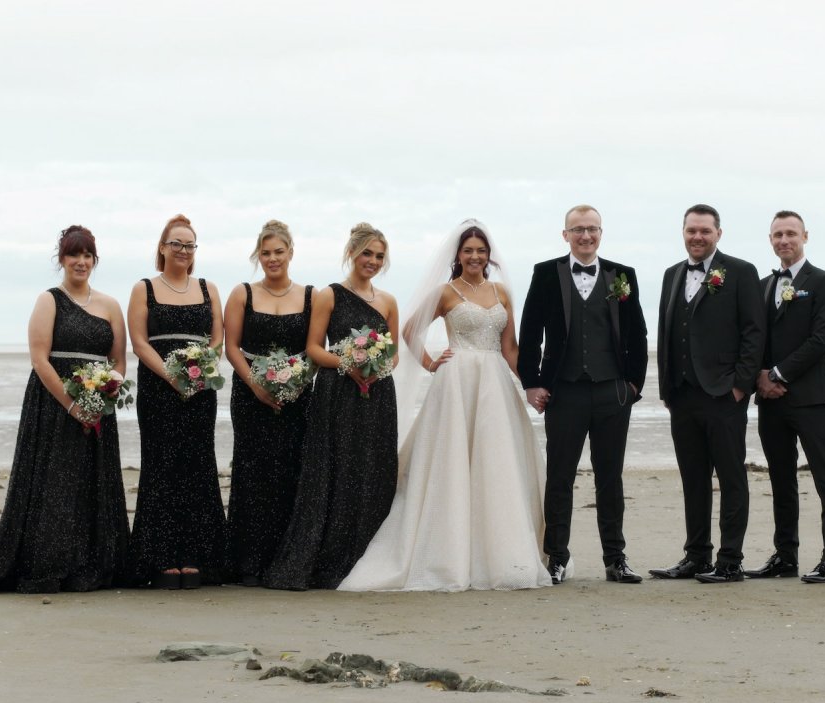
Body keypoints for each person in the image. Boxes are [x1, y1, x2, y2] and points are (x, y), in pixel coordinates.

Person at [340, 219, 553, 591]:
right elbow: (409, 330)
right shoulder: (446, 292)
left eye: (481, 251)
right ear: (458, 255)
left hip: (494, 386)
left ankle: (499, 552)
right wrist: (430, 363)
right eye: (468, 250)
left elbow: (510, 349)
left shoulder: (501, 292)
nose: (475, 256)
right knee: (452, 463)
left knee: (496, 463)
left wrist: (531, 385)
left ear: (489, 255)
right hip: (456, 384)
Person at [0, 225, 131, 593]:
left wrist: (105, 394)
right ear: (61, 259)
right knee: (55, 483)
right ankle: (50, 565)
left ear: (95, 260)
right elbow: (40, 359)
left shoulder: (110, 305)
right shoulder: (49, 300)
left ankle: (93, 567)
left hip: (98, 405)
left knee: (93, 482)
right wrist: (73, 405)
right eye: (74, 254)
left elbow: (119, 361)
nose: (81, 261)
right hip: (54, 404)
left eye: (87, 255)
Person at [517, 204, 649, 585]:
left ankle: (615, 559)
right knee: (560, 477)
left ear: (601, 233)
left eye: (592, 229)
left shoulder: (622, 275)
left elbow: (637, 332)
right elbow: (530, 332)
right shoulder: (546, 273)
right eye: (578, 229)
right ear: (566, 235)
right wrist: (532, 382)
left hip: (613, 392)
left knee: (610, 477)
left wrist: (633, 384)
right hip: (565, 392)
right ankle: (556, 557)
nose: (585, 235)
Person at [264, 222, 400, 590]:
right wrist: (348, 365)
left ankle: (364, 555)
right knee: (338, 468)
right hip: (338, 392)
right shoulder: (329, 295)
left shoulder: (388, 301)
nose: (372, 261)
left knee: (372, 469)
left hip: (377, 395)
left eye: (379, 256)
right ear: (352, 253)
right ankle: (327, 559)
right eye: (367, 253)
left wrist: (376, 368)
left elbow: (394, 354)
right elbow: (313, 348)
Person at [650, 204, 764, 584]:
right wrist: (666, 390)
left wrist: (740, 385)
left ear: (718, 233)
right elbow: (666, 331)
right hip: (682, 396)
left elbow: (754, 332)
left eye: (704, 230)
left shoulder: (741, 272)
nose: (697, 237)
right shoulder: (671, 274)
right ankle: (697, 556)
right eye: (691, 230)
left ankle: (730, 560)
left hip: (723, 395)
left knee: (731, 478)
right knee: (693, 478)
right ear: (683, 232)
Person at [127, 214, 227, 589]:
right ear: (163, 247)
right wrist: (172, 376)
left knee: (198, 466)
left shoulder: (208, 288)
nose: (183, 250)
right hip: (158, 389)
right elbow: (139, 342)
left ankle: (198, 556)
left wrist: (200, 373)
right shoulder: (144, 289)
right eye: (177, 244)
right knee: (162, 466)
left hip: (200, 390)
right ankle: (161, 557)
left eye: (189, 245)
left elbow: (217, 340)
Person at [751, 210, 825, 584]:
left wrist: (777, 373)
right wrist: (760, 376)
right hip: (771, 401)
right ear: (770, 240)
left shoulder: (824, 282)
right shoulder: (763, 285)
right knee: (781, 479)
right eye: (778, 234)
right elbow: (754, 338)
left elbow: (820, 340)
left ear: (805, 236)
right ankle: (785, 555)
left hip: (810, 398)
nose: (784, 240)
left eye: (791, 233)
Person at [223, 220, 315, 586]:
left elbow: (313, 350)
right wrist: (256, 386)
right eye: (265, 253)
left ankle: (285, 559)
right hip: (250, 395)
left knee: (291, 469)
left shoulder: (311, 296)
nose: (272, 258)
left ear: (291, 252)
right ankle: (247, 562)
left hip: (297, 397)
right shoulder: (242, 293)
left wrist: (295, 385)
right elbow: (231, 347)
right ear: (257, 256)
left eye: (279, 252)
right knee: (252, 471)